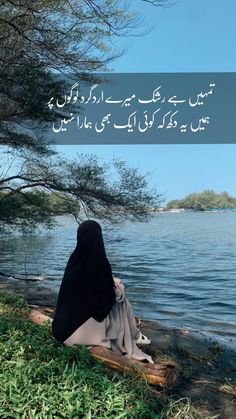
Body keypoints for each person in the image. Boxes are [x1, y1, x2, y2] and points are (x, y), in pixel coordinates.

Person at [52, 220, 153, 364]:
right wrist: (117, 288)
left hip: (61, 331)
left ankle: (135, 336)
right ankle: (133, 336)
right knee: (120, 298)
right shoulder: (100, 262)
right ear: (99, 237)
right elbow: (105, 300)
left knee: (114, 292)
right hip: (78, 336)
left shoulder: (74, 259)